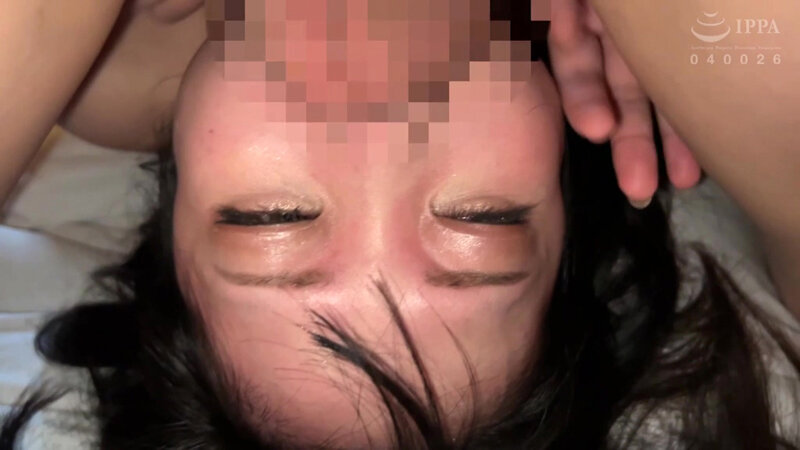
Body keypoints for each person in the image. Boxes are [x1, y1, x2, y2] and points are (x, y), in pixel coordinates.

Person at [0, 0, 798, 448]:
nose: (371, 129)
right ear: (562, 184)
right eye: (479, 220)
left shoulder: (107, 55)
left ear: (176, 200)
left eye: (274, 219)